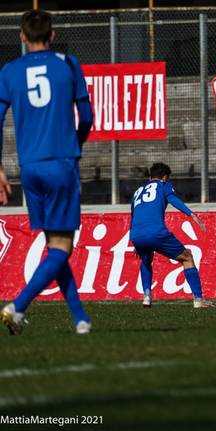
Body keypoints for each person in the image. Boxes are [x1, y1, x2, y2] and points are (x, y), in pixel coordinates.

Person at [0, 10, 93, 335]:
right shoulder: (68, 64)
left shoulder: (9, 71)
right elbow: (87, 116)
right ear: (52, 36)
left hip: (30, 168)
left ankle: (81, 319)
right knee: (61, 246)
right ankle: (17, 306)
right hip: (61, 162)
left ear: (22, 37)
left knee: (54, 245)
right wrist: (75, 144)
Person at [130, 162, 212, 308]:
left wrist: (136, 241)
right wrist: (192, 215)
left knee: (146, 259)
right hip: (155, 231)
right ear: (165, 177)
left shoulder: (137, 191)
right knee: (187, 257)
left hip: (136, 233)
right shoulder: (163, 185)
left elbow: (134, 214)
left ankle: (147, 296)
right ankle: (199, 300)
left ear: (150, 177)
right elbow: (174, 200)